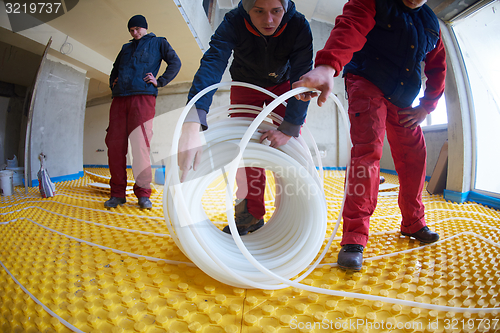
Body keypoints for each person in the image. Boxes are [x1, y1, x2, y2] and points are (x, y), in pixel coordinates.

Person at [293, 0, 446, 270]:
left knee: (415, 156)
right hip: (367, 82)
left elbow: (437, 67)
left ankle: (413, 222)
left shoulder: (432, 24)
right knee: (367, 154)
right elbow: (350, 27)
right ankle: (354, 237)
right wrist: (327, 66)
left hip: (403, 98)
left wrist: (427, 106)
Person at [177, 0, 313, 235]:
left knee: (289, 148)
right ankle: (250, 213)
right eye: (259, 11)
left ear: (286, 7)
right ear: (247, 9)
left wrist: (289, 128)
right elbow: (213, 62)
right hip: (245, 84)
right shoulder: (233, 21)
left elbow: (303, 75)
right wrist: (192, 121)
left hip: (285, 86)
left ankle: (291, 212)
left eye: (276, 11)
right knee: (245, 147)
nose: (268, 20)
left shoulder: (298, 24)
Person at [105, 15, 181, 209]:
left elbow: (175, 62)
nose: (134, 32)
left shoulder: (158, 43)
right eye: (131, 30)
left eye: (138, 28)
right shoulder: (125, 48)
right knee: (114, 146)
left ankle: (143, 194)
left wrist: (160, 81)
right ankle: (117, 194)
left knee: (140, 146)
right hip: (120, 99)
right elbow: (115, 69)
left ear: (145, 28)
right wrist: (113, 83)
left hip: (143, 98)